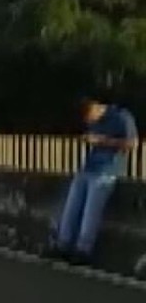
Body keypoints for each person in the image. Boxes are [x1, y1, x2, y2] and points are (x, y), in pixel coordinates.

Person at [47, 96, 139, 264]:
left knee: (91, 211)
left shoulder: (121, 117)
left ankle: (83, 250)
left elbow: (131, 144)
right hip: (89, 166)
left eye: (90, 118)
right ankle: (63, 244)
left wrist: (103, 141)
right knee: (71, 206)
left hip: (107, 169)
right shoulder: (93, 122)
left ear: (95, 109)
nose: (90, 122)